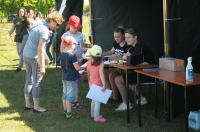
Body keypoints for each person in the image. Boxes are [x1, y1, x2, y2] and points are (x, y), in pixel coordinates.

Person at [23, 11, 64, 113]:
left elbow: (36, 42)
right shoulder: (45, 30)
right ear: (52, 21)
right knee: (37, 82)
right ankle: (36, 107)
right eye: (57, 24)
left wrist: (45, 58)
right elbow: (40, 50)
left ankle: (28, 105)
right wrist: (42, 67)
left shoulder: (38, 23)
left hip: (26, 54)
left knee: (29, 79)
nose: (58, 27)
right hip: (34, 57)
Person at [114, 28, 148, 111]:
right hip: (138, 71)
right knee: (124, 78)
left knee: (119, 79)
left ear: (135, 37)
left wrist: (123, 59)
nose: (126, 40)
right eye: (125, 38)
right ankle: (141, 98)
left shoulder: (140, 47)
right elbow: (125, 57)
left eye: (128, 37)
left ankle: (126, 104)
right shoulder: (132, 47)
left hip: (147, 73)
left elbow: (129, 61)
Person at [61, 15, 89, 108]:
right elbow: (62, 50)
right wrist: (71, 53)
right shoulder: (65, 36)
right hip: (69, 63)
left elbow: (83, 46)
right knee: (70, 82)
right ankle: (71, 102)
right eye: (74, 27)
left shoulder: (80, 35)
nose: (76, 29)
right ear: (69, 25)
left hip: (79, 60)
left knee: (77, 81)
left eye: (77, 27)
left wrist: (87, 48)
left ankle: (74, 101)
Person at [103, 26, 130, 101]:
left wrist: (111, 58)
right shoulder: (116, 43)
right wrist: (102, 54)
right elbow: (111, 51)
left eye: (118, 37)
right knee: (104, 73)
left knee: (111, 75)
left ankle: (116, 96)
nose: (116, 38)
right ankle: (110, 94)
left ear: (123, 36)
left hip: (123, 67)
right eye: (115, 37)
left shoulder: (128, 45)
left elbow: (123, 57)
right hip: (115, 66)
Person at [60, 36, 82, 119]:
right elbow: (77, 68)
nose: (75, 46)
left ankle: (65, 111)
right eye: (75, 44)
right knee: (70, 97)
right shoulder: (72, 55)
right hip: (71, 78)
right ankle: (69, 114)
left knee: (65, 95)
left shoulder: (62, 54)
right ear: (71, 44)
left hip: (64, 77)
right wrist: (84, 67)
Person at [86, 45, 107, 123]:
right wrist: (104, 85)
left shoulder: (88, 63)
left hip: (91, 84)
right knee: (98, 101)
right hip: (98, 85)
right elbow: (101, 74)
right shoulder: (101, 63)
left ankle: (92, 115)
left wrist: (89, 83)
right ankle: (97, 117)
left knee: (93, 101)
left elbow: (88, 74)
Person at [8, 7, 26, 72]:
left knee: (21, 52)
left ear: (24, 13)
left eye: (22, 12)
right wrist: (9, 33)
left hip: (24, 37)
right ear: (18, 12)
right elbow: (13, 28)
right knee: (18, 52)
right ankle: (24, 62)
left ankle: (19, 67)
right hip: (17, 36)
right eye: (20, 11)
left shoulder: (25, 20)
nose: (21, 13)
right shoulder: (16, 20)